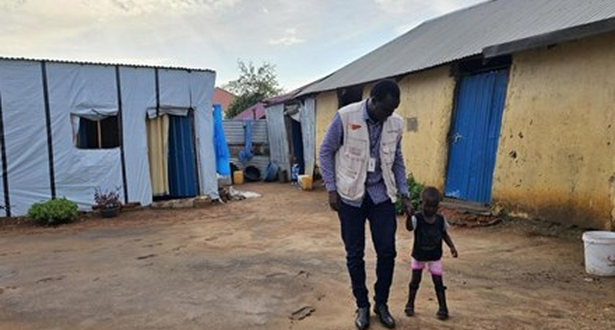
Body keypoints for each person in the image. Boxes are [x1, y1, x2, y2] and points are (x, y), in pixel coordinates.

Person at [319, 79, 414, 330]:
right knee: (354, 253)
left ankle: (381, 303)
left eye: (393, 110)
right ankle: (361, 304)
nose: (388, 115)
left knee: (387, 252)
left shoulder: (395, 123)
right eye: (385, 110)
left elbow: (397, 160)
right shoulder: (345, 116)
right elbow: (326, 151)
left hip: (381, 195)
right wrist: (331, 188)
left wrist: (404, 194)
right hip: (350, 196)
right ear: (373, 100)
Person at [404, 186, 458, 320]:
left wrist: (452, 247)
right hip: (419, 255)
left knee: (438, 282)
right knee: (415, 281)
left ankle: (443, 308)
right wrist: (409, 216)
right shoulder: (417, 218)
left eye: (434, 207)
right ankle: (410, 304)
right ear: (422, 204)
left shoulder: (440, 220)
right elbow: (410, 228)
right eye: (428, 206)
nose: (430, 210)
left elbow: (444, 234)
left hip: (435, 256)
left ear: (438, 206)